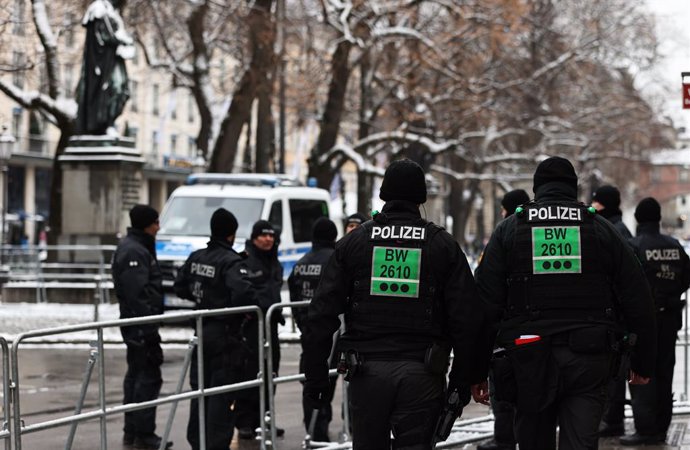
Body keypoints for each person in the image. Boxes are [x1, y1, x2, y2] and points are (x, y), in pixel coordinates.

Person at [303, 158, 489, 449]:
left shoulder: (356, 243)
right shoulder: (442, 245)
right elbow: (467, 319)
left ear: (383, 193)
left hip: (367, 372)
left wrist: (315, 377)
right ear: (421, 197)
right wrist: (463, 382)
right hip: (423, 374)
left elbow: (320, 314)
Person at [474, 156, 657, 450]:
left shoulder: (510, 229)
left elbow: (485, 303)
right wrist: (643, 361)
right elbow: (638, 296)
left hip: (527, 356)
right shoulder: (600, 228)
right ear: (573, 189)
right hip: (590, 356)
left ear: (537, 189)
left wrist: (475, 369)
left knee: (533, 440)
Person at [173, 208, 258, 450]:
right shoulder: (230, 260)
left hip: (201, 331)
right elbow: (243, 293)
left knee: (199, 390)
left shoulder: (197, 256)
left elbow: (180, 287)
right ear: (232, 233)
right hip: (224, 334)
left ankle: (197, 441)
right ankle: (215, 444)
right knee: (221, 394)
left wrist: (203, 297)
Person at [619, 198, 690, 445]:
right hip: (670, 318)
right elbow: (686, 278)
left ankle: (646, 429)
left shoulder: (634, 245)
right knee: (665, 371)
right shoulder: (674, 245)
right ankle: (661, 426)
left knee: (642, 372)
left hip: (643, 320)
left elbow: (625, 283)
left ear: (638, 218)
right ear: (658, 218)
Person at [111, 205, 172, 449]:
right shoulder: (134, 250)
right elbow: (137, 295)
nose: (159, 226)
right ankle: (142, 433)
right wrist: (147, 329)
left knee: (138, 375)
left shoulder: (137, 246)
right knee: (146, 376)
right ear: (147, 224)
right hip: (140, 325)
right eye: (156, 222)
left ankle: (135, 431)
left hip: (139, 324)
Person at [477, 189, 529, 450]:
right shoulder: (533, 236)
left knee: (503, 392)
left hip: (504, 331)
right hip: (532, 330)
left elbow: (484, 285)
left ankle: (504, 439)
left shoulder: (502, 236)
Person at [288, 218, 338, 442]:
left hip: (308, 332)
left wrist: (301, 323)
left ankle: (312, 430)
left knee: (310, 379)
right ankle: (320, 433)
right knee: (328, 381)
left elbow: (293, 295)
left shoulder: (300, 263)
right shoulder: (336, 260)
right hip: (333, 332)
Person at [235, 220, 285, 439]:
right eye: (263, 235)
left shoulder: (274, 260)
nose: (268, 239)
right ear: (254, 237)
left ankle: (264, 419)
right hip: (251, 326)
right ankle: (244, 421)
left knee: (271, 372)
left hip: (271, 324)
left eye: (271, 235)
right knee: (250, 372)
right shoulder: (245, 260)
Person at [593, 184, 633, 437]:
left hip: (614, 314)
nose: (592, 205)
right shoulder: (617, 228)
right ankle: (611, 418)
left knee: (613, 369)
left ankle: (612, 420)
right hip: (615, 312)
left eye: (596, 202)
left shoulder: (612, 230)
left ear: (603, 204)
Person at [77, 0, 135, 135]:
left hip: (115, 59)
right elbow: (102, 36)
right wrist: (122, 41)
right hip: (103, 63)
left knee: (122, 90)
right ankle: (104, 123)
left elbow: (116, 34)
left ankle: (109, 122)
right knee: (114, 88)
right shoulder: (98, 9)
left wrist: (125, 42)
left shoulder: (113, 12)